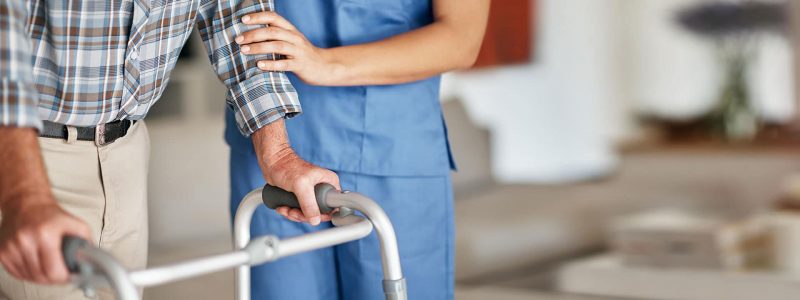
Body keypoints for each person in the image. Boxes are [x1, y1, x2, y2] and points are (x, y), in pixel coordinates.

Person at [0, 1, 335, 299]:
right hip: (26, 151)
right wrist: (24, 194)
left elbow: (235, 13)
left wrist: (278, 154)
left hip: (127, 152)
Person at [226, 1, 490, 299]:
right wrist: (272, 148)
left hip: (391, 152)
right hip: (271, 147)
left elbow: (461, 39)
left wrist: (327, 63)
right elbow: (227, 17)